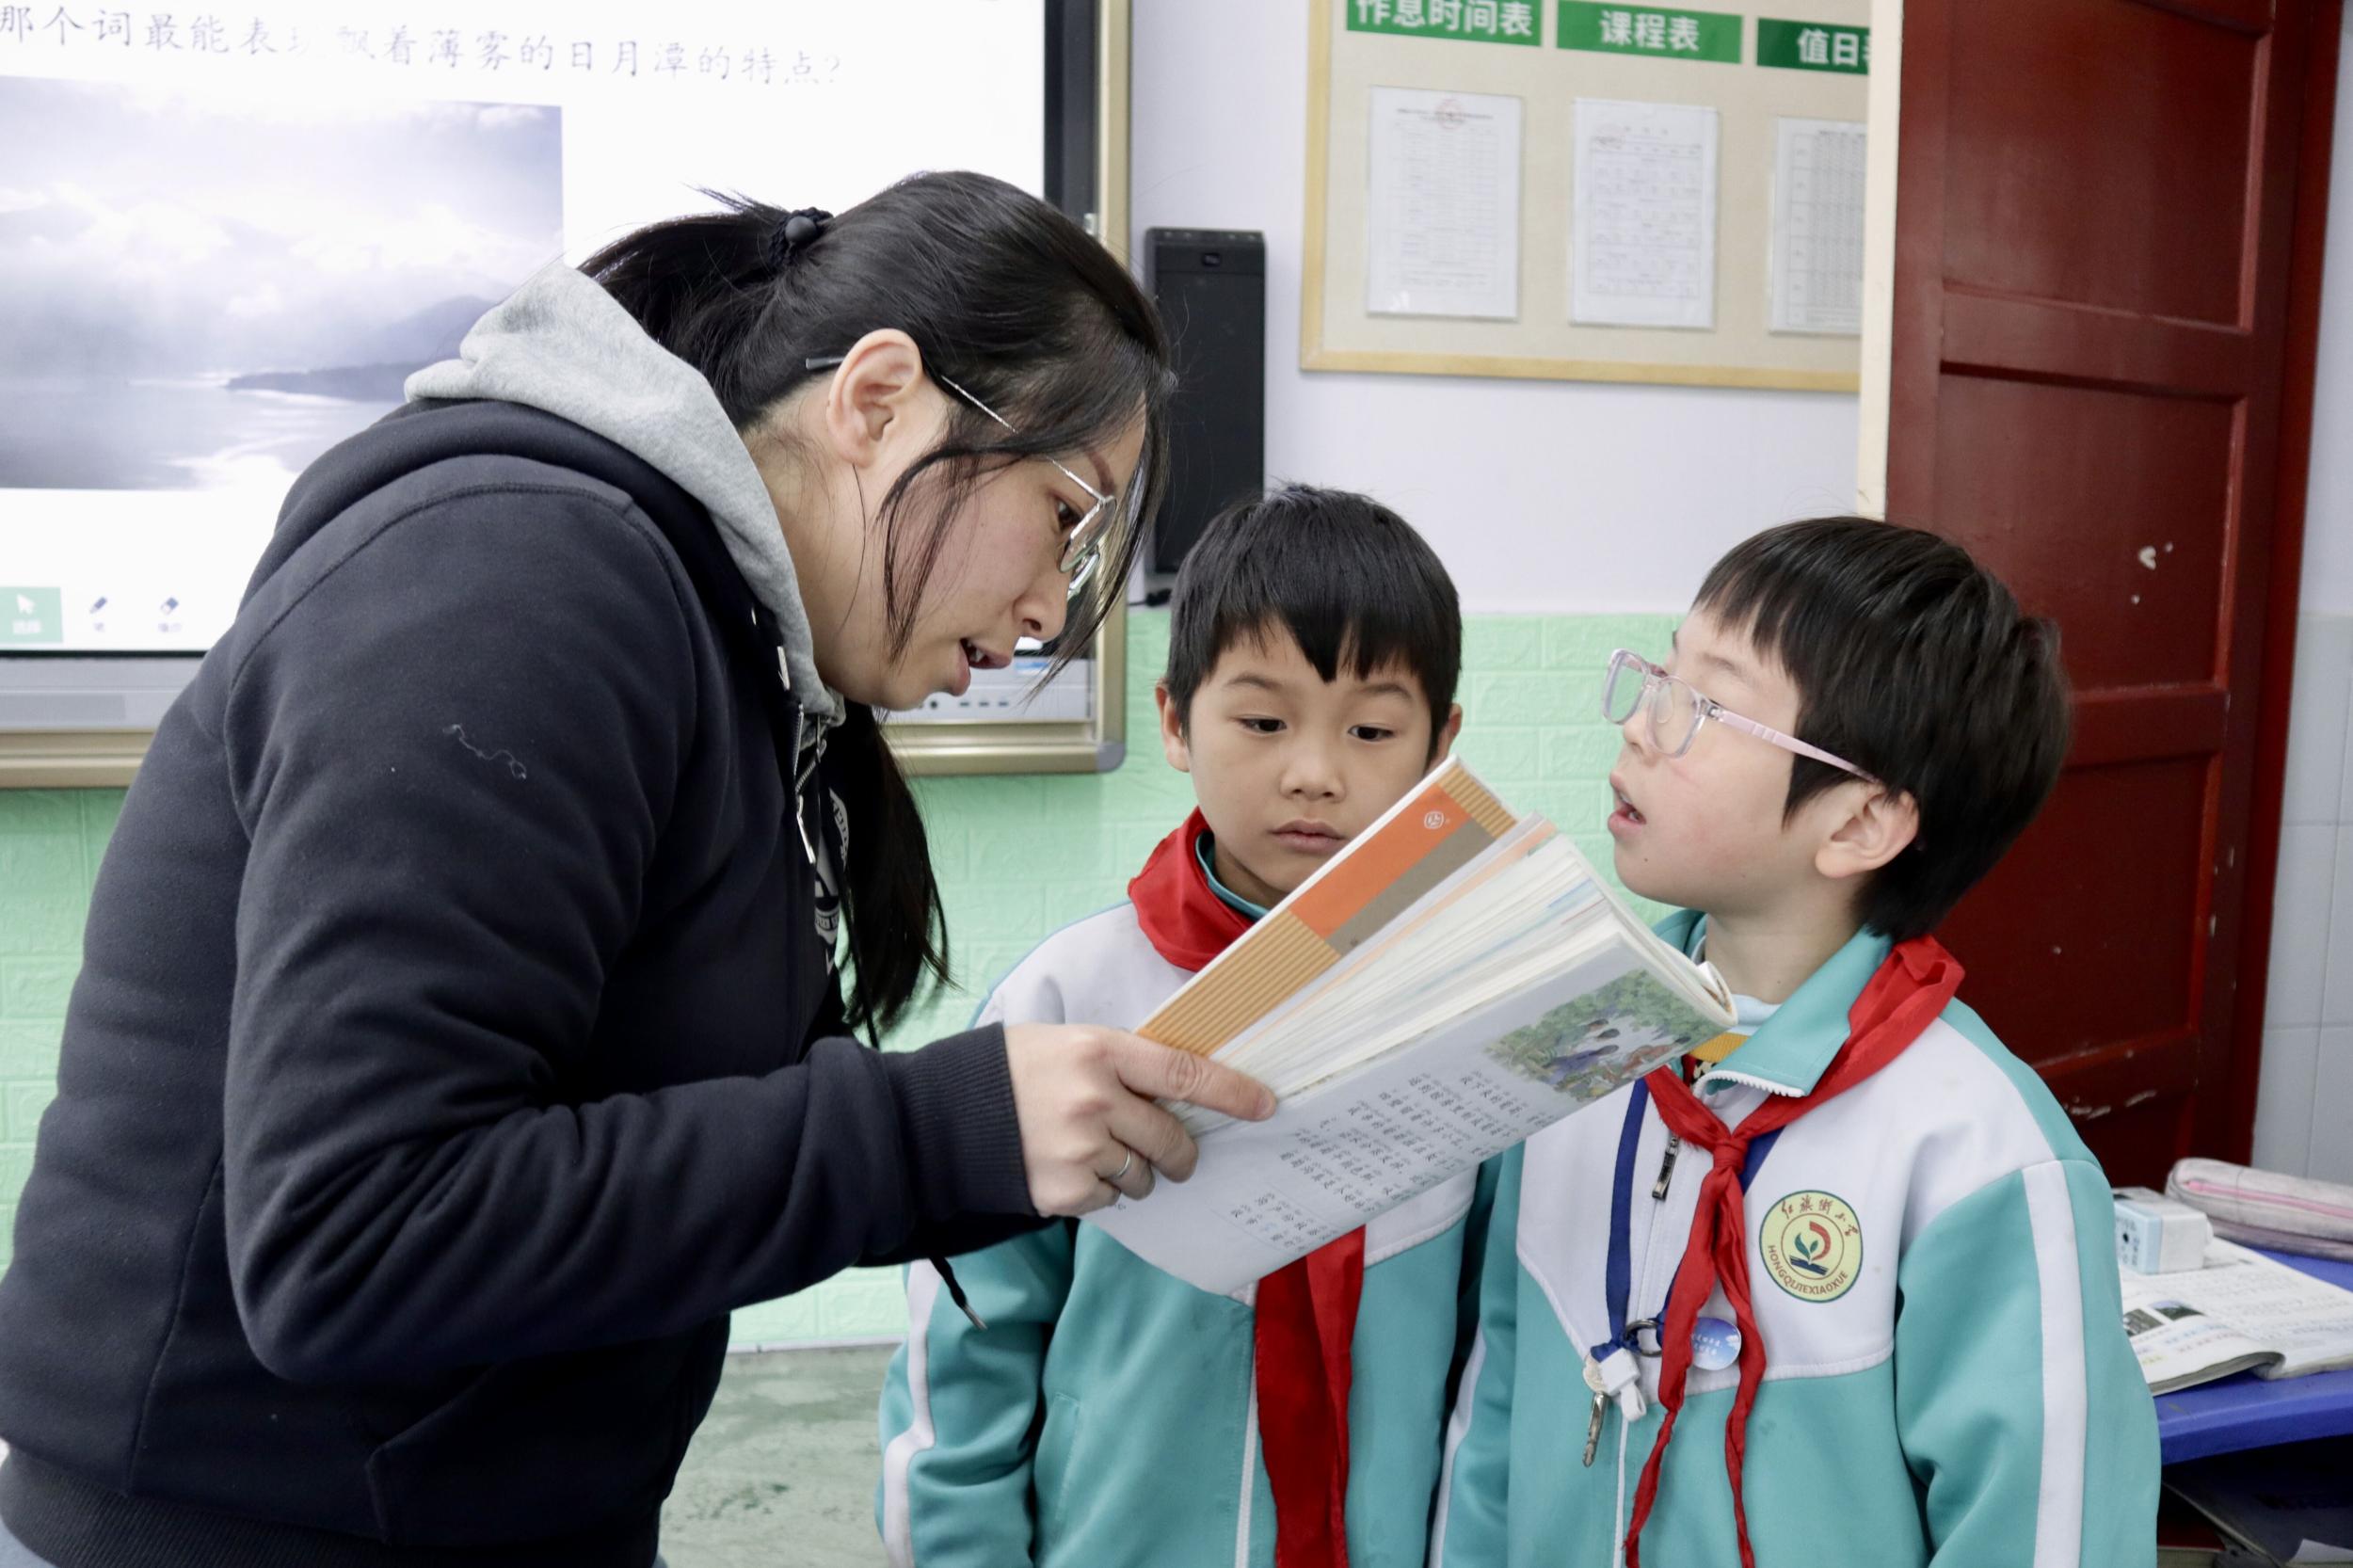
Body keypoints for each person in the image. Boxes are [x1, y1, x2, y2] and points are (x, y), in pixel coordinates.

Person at [0, 172, 1272, 1568]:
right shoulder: (517, 573)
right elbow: (355, 1238)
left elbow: (666, 1133)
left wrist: (1031, 1136)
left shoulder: (717, 639)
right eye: (1068, 519)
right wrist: (933, 1129)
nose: (1050, 616)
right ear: (877, 399)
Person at [1431, 519, 2158, 1567]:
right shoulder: (1579, 1048)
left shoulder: (1979, 1151)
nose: (1640, 723)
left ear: (1859, 824)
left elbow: (2048, 1532)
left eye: (1703, 704)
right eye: (1657, 673)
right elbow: (1493, 1413)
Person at [876, 486, 1472, 1568]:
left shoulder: (1473, 1008)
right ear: (1171, 721)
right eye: (1261, 719)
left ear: (1441, 749)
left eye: (1373, 729)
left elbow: (1496, 1358)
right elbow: (969, 1338)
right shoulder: (1067, 998)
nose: (1314, 772)